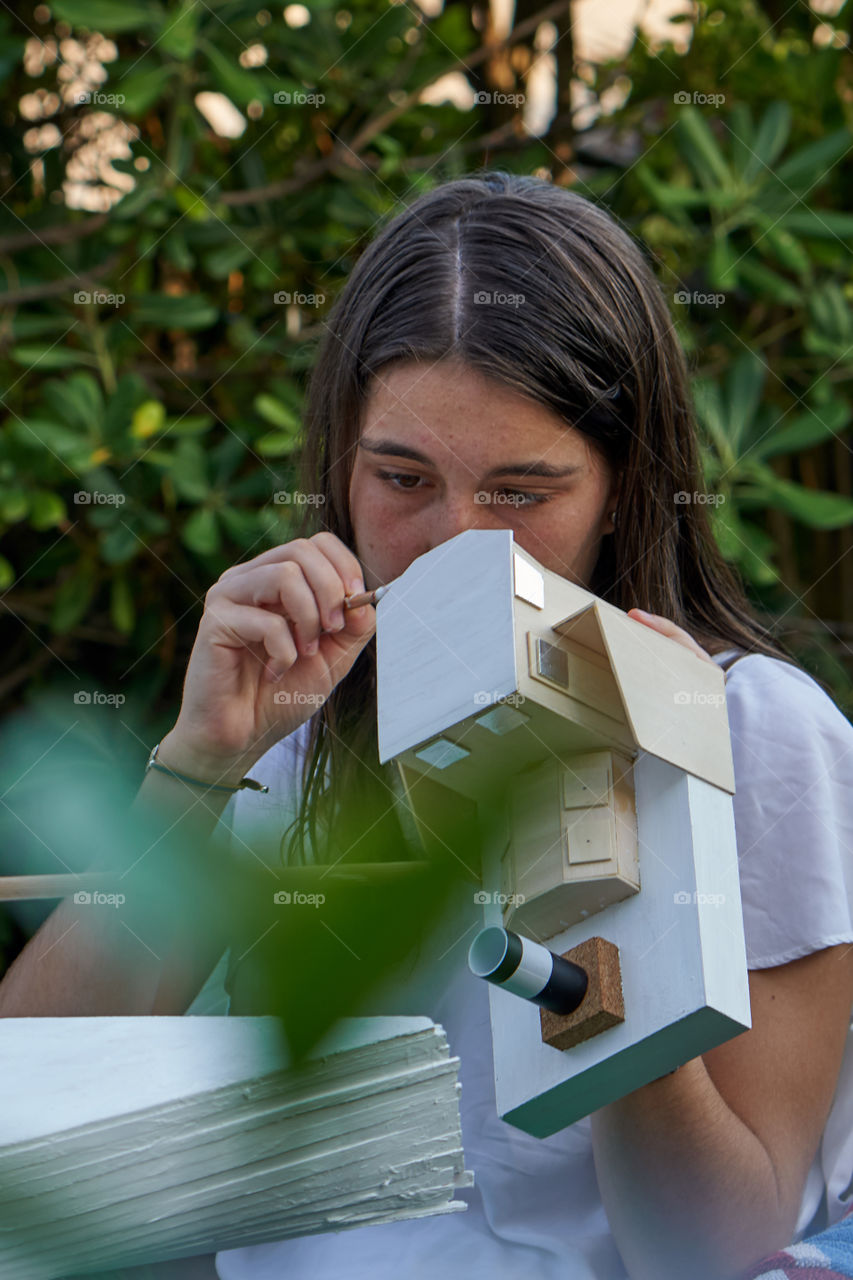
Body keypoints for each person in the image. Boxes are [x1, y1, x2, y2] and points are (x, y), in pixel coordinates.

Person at [2, 171, 853, 1280]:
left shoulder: (748, 732)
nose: (455, 543)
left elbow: (704, 1249)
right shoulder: (294, 727)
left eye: (520, 491)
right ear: (338, 465)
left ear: (623, 482)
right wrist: (200, 761)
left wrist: (620, 873)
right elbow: (34, 1128)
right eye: (402, 476)